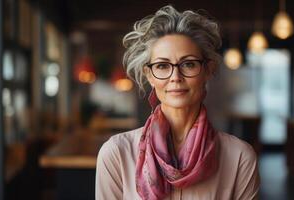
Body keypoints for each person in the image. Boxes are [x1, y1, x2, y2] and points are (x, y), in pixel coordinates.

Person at [96, 5, 260, 200]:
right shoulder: (117, 154)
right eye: (162, 66)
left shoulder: (239, 157)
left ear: (208, 70)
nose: (175, 76)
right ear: (149, 75)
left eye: (188, 64)